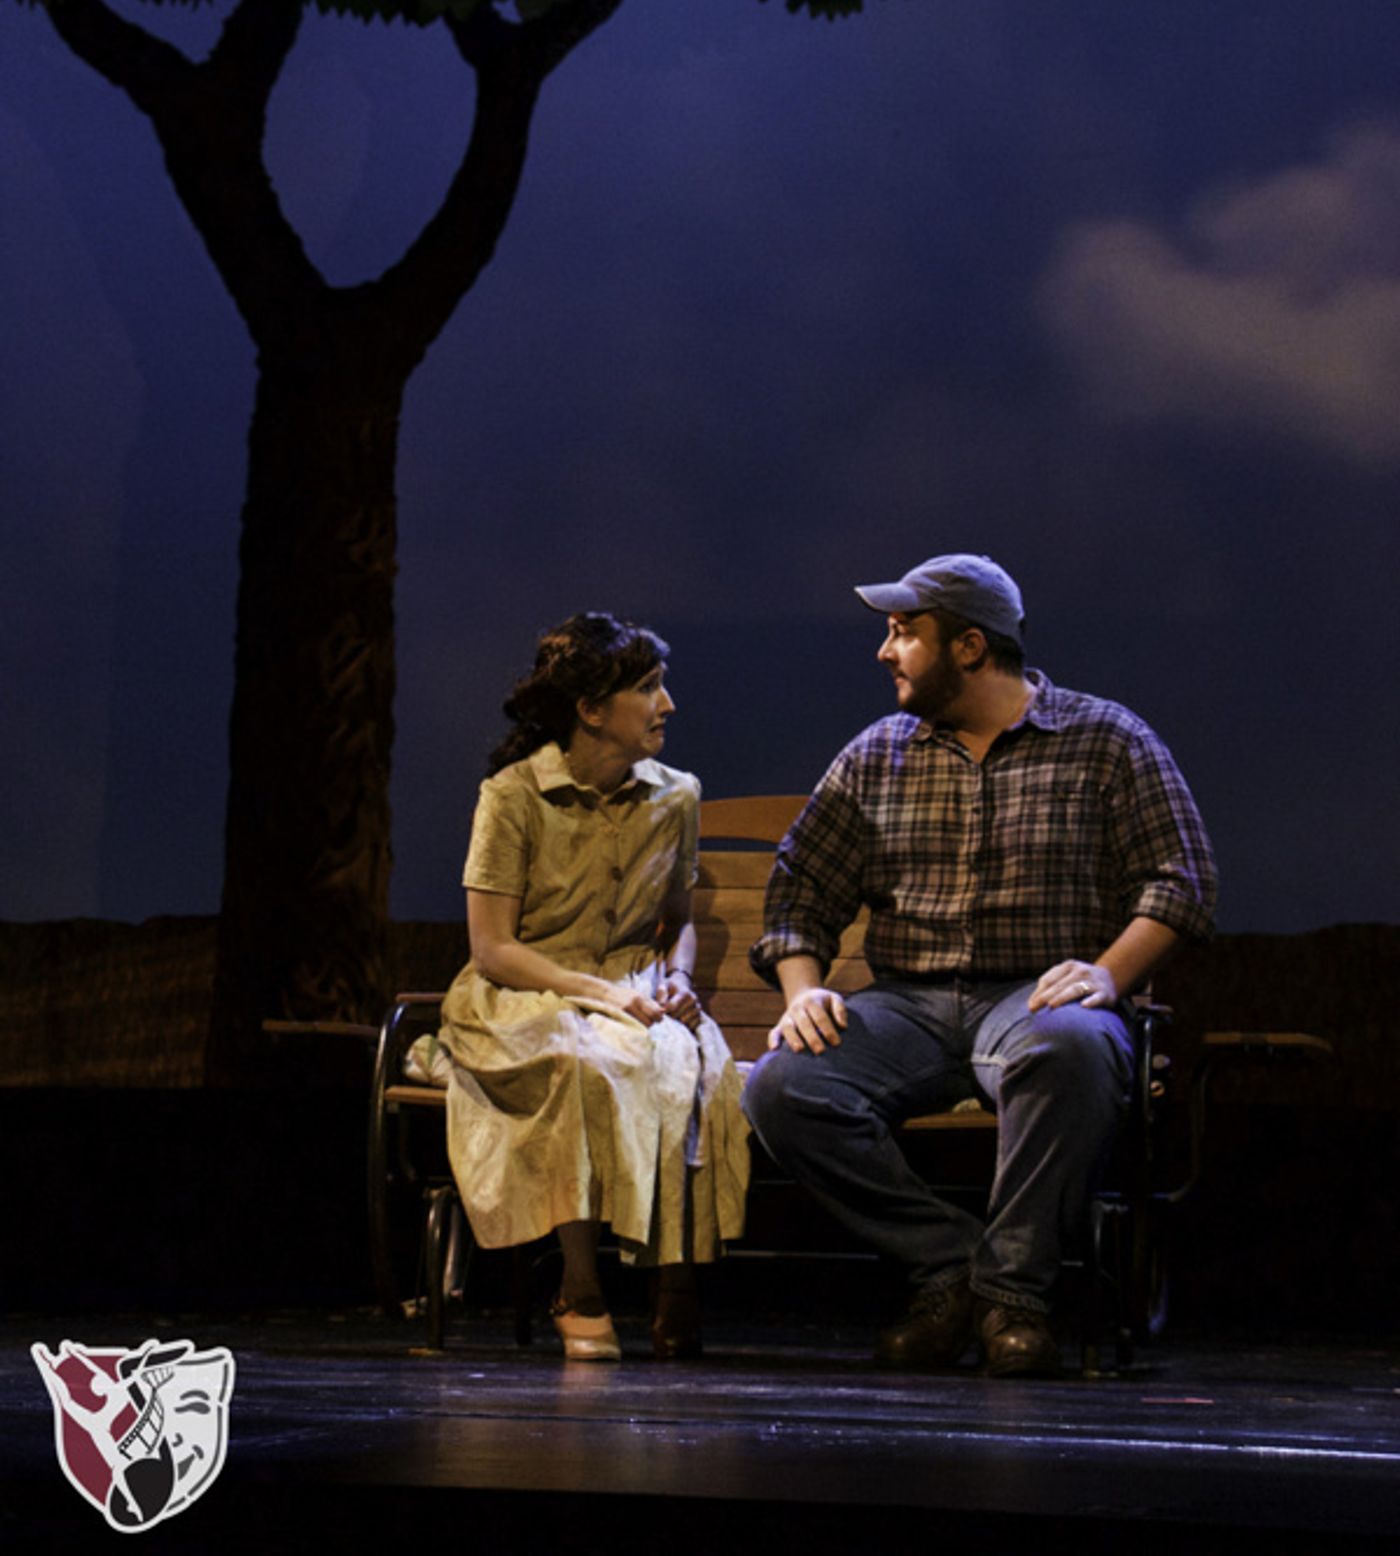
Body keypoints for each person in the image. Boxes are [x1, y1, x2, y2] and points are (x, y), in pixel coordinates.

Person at [741, 553, 1215, 1377]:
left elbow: (1183, 878)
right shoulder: (877, 755)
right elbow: (797, 892)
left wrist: (1109, 974)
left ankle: (1015, 1297)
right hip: (908, 1008)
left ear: (968, 646)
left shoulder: (1106, 740)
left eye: (902, 634)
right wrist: (802, 990)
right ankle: (954, 1267)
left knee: (1070, 1045)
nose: (885, 653)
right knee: (783, 1086)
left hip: (1035, 996)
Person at [436, 612, 748, 1360]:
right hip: (525, 990)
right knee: (584, 1064)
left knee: (690, 1070)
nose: (667, 704)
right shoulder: (514, 796)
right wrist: (604, 995)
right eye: (648, 688)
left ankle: (675, 1281)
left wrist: (674, 979)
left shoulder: (675, 797)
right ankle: (579, 1284)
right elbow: (494, 949)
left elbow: (677, 922)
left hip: (634, 986)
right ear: (591, 710)